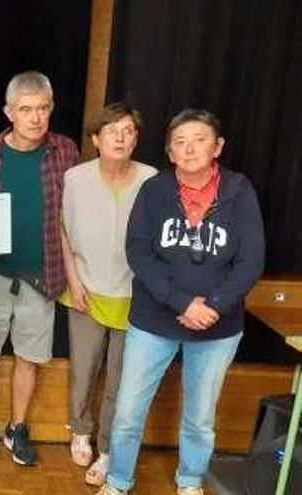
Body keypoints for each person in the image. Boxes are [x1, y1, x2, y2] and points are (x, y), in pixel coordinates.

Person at [97, 109, 265, 495]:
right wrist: (181, 302)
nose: (189, 149)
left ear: (218, 146)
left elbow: (251, 260)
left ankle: (190, 482)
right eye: (179, 142)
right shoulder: (154, 190)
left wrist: (215, 305)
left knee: (200, 418)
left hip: (217, 327)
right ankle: (118, 481)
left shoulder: (240, 192)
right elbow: (138, 251)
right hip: (153, 320)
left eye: (199, 139)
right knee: (127, 413)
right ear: (170, 153)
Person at [0, 70, 79, 466]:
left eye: (43, 108)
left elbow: (73, 214)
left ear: (51, 109)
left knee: (29, 357)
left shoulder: (65, 151)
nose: (35, 117)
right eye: (26, 109)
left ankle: (18, 428)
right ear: (9, 111)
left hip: (42, 275)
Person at [59, 103, 156, 485]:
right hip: (84, 288)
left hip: (135, 296)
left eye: (128, 130)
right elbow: (62, 231)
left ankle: (108, 449)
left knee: (121, 379)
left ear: (136, 138)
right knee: (84, 371)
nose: (120, 137)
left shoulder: (152, 179)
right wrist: (73, 280)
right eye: (111, 130)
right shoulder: (75, 178)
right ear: (96, 139)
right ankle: (80, 429)